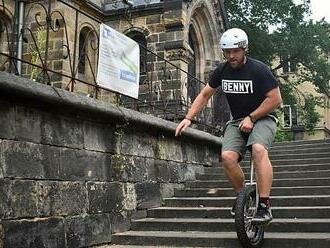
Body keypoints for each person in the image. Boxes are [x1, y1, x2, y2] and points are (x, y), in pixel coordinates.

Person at [175, 28, 282, 224]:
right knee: (227, 157)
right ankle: (243, 196)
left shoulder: (259, 69)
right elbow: (205, 94)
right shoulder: (222, 71)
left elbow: (275, 99)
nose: (231, 56)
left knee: (258, 149)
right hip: (237, 121)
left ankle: (264, 205)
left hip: (264, 118)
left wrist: (252, 117)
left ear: (244, 49)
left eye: (236, 51)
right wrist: (188, 118)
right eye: (227, 52)